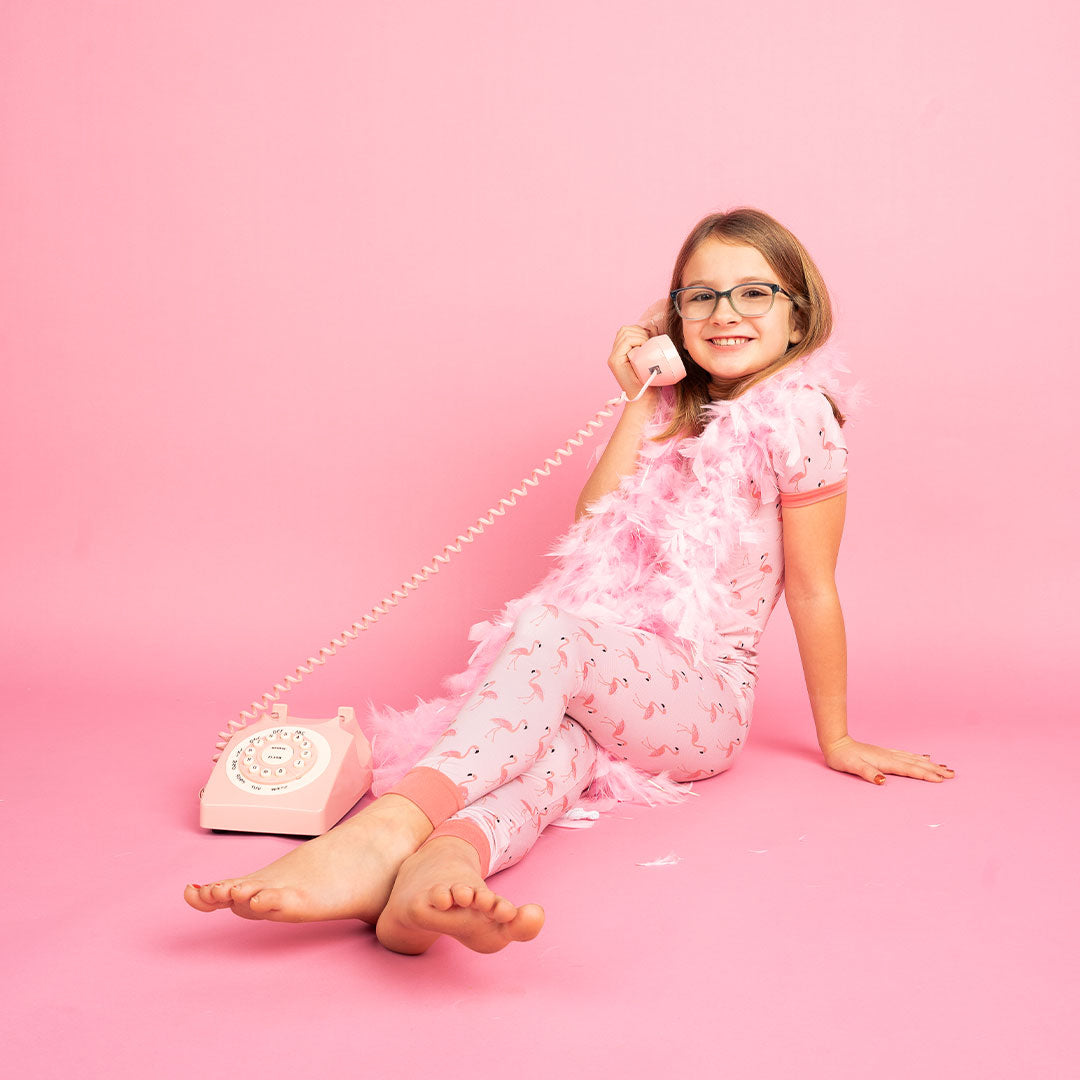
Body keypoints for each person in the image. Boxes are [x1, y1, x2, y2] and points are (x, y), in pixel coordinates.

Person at [184, 208, 955, 954]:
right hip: (619, 680)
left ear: (798, 315)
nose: (727, 312)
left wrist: (839, 736)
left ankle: (383, 830)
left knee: (547, 637)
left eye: (755, 292)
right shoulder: (665, 411)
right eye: (701, 295)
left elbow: (814, 588)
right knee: (553, 749)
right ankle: (443, 870)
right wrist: (643, 391)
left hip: (706, 697)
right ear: (674, 316)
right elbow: (596, 518)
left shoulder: (800, 420)